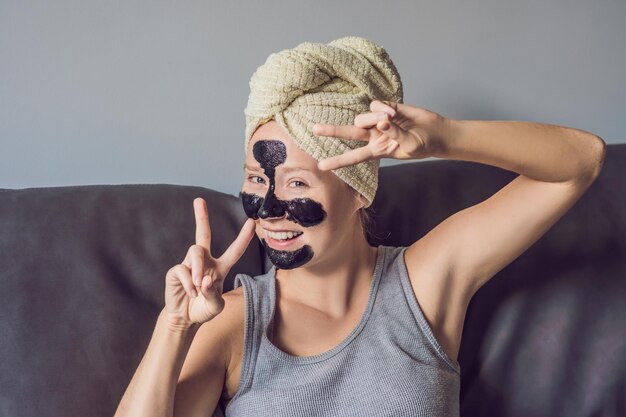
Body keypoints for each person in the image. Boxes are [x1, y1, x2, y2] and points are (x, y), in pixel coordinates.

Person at [114, 37, 606, 417]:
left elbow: (581, 161)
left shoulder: (424, 282)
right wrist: (175, 325)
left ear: (358, 192)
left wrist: (445, 136)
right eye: (257, 179)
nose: (270, 207)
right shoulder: (231, 319)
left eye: (297, 182)